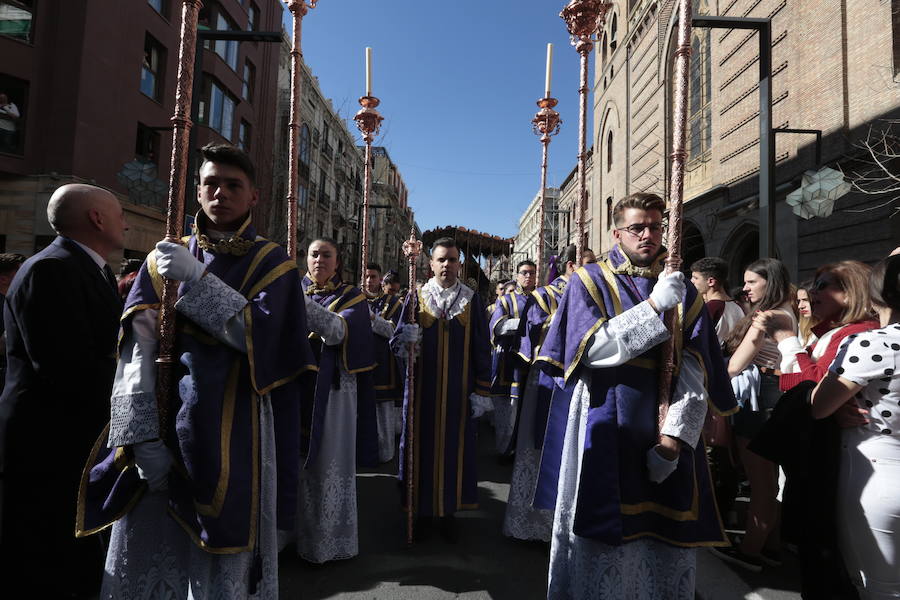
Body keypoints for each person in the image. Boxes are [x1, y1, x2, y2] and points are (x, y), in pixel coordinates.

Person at [78, 144, 315, 598]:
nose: (220, 193)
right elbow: (136, 354)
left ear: (254, 197)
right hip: (164, 421)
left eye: (233, 185)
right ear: (197, 191)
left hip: (238, 427)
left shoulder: (274, 264)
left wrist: (198, 281)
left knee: (221, 557)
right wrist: (138, 437)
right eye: (210, 183)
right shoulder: (160, 258)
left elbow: (262, 343)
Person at [536, 193, 735, 598]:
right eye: (637, 227)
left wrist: (674, 438)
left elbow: (696, 369)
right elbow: (592, 352)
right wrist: (653, 308)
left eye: (655, 226)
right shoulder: (588, 280)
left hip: (665, 424)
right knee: (603, 523)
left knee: (663, 533)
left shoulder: (683, 290)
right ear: (617, 233)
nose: (647, 234)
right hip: (603, 415)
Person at [0, 184, 127, 598]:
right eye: (119, 212)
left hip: (75, 434)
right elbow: (65, 366)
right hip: (47, 438)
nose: (124, 220)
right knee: (43, 556)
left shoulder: (95, 268)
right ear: (97, 219)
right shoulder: (50, 268)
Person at [758, 261, 878, 597]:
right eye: (816, 282)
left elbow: (813, 392)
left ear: (852, 292)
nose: (813, 291)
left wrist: (785, 340)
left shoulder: (856, 333)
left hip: (847, 462)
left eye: (826, 285)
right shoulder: (829, 332)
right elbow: (794, 385)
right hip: (824, 456)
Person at [810, 254, 900, 599]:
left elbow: (819, 406)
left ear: (876, 296)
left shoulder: (871, 342)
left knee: (879, 589)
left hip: (877, 472)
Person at [392, 237, 493, 543]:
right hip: (422, 393)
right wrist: (407, 340)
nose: (446, 265)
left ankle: (448, 513)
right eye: (441, 260)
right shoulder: (416, 296)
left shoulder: (471, 299)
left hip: (458, 394)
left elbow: (481, 347)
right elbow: (395, 344)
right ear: (431, 263)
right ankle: (421, 514)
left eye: (452, 259)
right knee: (420, 450)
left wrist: (481, 391)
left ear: (460, 264)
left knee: (454, 452)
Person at [711, 257, 795, 572]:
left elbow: (735, 364)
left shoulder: (769, 316)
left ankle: (750, 550)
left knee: (761, 480)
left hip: (759, 400)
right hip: (773, 396)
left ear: (768, 282)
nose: (745, 289)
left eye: (751, 282)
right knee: (768, 480)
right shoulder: (785, 311)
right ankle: (770, 546)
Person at [297, 238, 377, 562]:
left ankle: (325, 541)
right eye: (314, 254)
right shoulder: (293, 288)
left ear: (338, 260)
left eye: (326, 255)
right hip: (294, 386)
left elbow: (339, 332)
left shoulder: (352, 296)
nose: (319, 260)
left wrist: (299, 306)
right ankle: (286, 534)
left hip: (332, 393)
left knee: (325, 463)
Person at [503, 245, 578, 542]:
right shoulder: (544, 297)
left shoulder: (592, 293)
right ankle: (530, 523)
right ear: (571, 266)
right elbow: (529, 335)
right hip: (546, 378)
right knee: (538, 448)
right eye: (587, 264)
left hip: (576, 380)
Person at [489, 260, 537, 456]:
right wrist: (527, 323)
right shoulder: (506, 300)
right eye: (524, 272)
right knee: (510, 409)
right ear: (517, 276)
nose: (528, 276)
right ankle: (505, 450)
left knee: (530, 409)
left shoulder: (541, 298)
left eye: (532, 273)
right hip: (510, 362)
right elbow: (499, 326)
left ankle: (524, 451)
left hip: (533, 362)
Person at [366, 263, 404, 463]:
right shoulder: (354, 298)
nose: (369, 280)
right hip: (359, 362)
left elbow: (393, 331)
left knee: (383, 411)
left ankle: (385, 453)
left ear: (380, 279)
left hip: (384, 364)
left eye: (373, 276)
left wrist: (372, 318)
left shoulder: (393, 302)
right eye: (366, 276)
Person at [691, 256, 744, 342]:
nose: (692, 281)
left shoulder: (711, 307)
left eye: (696, 278)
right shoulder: (738, 305)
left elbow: (697, 339)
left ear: (711, 281)